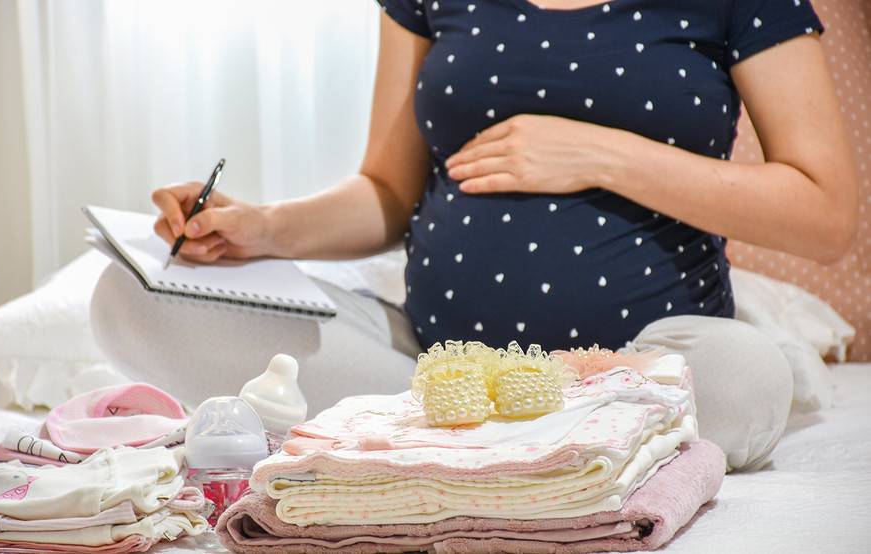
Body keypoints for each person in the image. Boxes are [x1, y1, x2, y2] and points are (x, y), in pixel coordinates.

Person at [91, 0, 858, 472]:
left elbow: (825, 215)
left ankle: (440, 446)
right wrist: (262, 228)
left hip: (642, 362)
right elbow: (389, 194)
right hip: (431, 368)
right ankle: (522, 449)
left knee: (742, 380)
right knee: (131, 298)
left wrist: (601, 153)